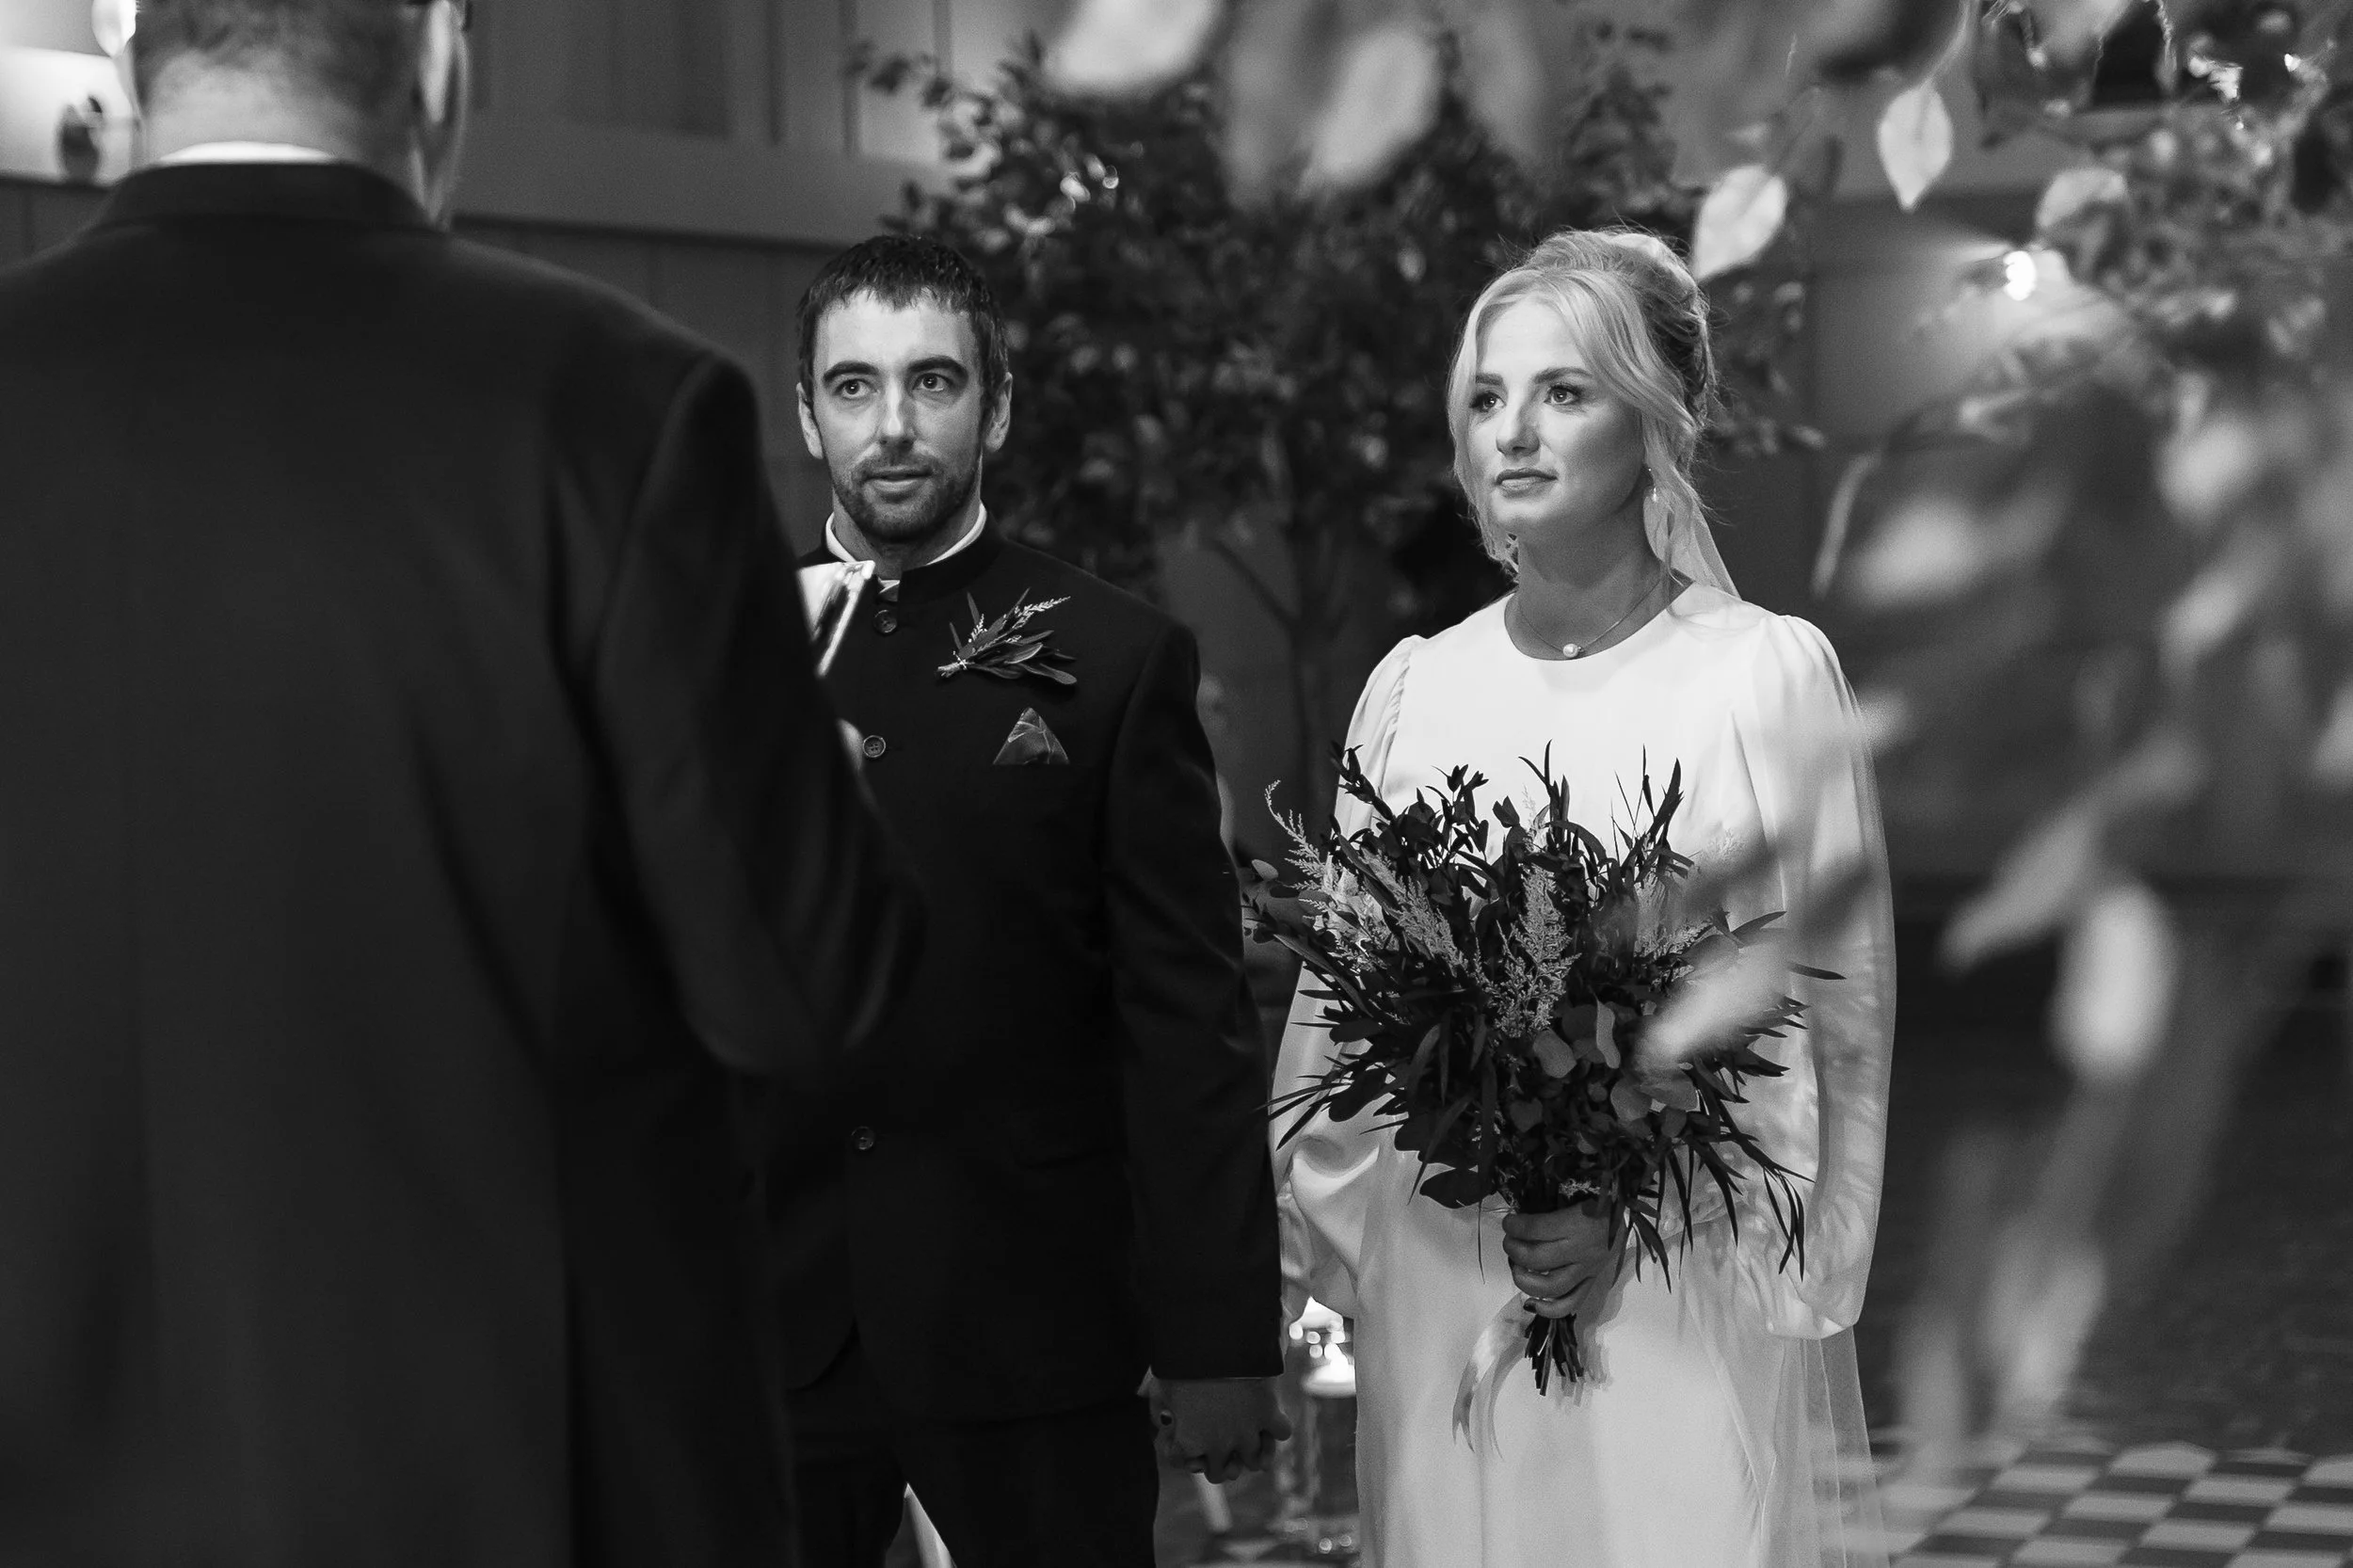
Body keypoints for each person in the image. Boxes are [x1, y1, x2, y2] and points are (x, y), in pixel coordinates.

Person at [0, 3, 921, 1563]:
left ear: (133, 48)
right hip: (519, 1485)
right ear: (438, 54)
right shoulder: (614, 404)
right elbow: (801, 987)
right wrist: (814, 787)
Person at [1272, 230, 1897, 1566]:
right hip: (1443, 1265)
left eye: (1565, 391)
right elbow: (1341, 1002)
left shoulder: (1761, 678)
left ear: (1657, 418)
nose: (1514, 431)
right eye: (1488, 397)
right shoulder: (1414, 689)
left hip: (1678, 1283)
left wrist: (1645, 1206)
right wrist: (1339, 1253)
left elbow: (1830, 1010)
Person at [772, 234, 1289, 1567]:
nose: (892, 424)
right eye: (854, 385)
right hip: (766, 1326)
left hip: (1031, 1321)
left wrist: (1217, 1335)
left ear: (995, 407)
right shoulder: (708, 650)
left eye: (933, 380)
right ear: (808, 413)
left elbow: (1186, 1024)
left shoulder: (1116, 658)